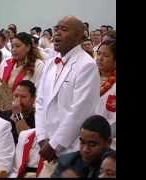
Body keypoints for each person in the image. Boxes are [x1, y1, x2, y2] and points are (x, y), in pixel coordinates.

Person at [35, 16, 100, 174]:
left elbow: (79, 112)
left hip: (71, 149)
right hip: (47, 145)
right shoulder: (50, 63)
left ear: (79, 37)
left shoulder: (87, 65)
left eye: (64, 30)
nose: (57, 33)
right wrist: (42, 138)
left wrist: (54, 144)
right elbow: (40, 102)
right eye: (56, 28)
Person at [95, 40, 116, 149]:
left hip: (109, 143)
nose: (100, 58)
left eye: (106, 55)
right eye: (98, 54)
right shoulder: (88, 77)